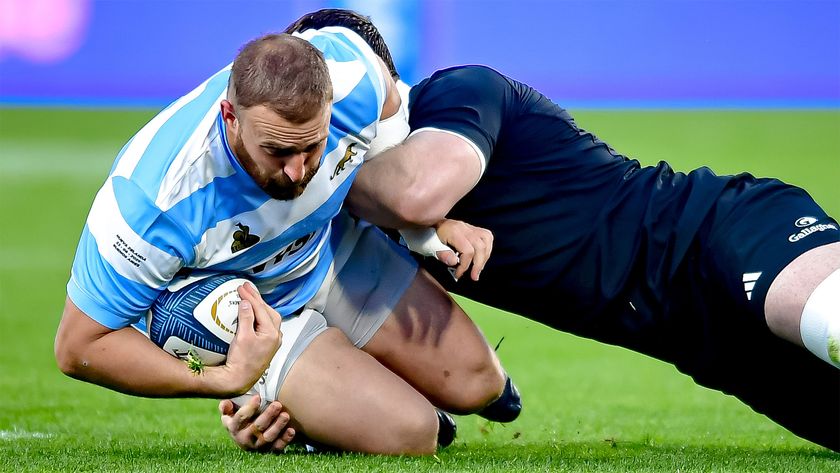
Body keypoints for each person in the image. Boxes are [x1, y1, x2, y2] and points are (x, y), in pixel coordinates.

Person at [272, 9, 840, 451]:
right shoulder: (360, 221)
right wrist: (275, 406)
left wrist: (324, 187)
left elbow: (418, 194)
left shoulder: (459, 91)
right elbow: (369, 341)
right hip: (706, 346)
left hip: (719, 229)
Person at [54, 26, 519, 455]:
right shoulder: (153, 201)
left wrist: (421, 223)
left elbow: (389, 112)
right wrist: (222, 379)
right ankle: (300, 405)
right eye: (277, 151)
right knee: (415, 434)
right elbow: (79, 346)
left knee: (479, 383)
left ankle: (346, 398)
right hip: (251, 321)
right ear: (231, 117)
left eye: (312, 146)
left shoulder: (353, 74)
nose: (298, 172)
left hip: (328, 250)